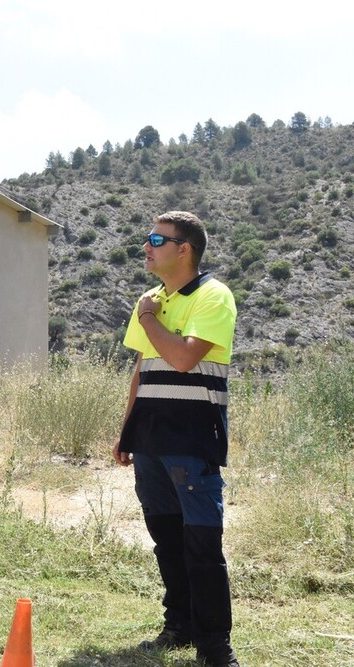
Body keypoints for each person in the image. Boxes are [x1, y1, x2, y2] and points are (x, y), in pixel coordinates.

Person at [113, 211, 240, 667]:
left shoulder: (213, 296)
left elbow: (184, 358)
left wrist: (149, 319)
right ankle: (179, 627)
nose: (145, 248)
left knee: (202, 544)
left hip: (191, 439)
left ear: (184, 248)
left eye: (155, 240)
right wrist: (126, 430)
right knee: (167, 540)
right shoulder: (150, 299)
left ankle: (215, 648)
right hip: (149, 440)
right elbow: (143, 368)